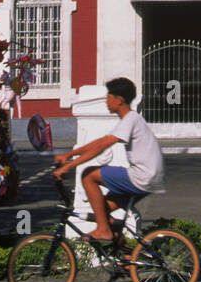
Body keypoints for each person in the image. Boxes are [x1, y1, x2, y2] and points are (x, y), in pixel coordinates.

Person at [53, 77, 165, 242]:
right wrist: (68, 155)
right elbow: (99, 142)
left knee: (88, 175)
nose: (106, 101)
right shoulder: (130, 119)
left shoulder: (130, 119)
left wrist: (68, 166)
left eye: (109, 97)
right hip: (150, 177)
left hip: (142, 176)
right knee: (102, 211)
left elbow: (101, 146)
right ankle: (126, 257)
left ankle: (104, 231)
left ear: (119, 100)